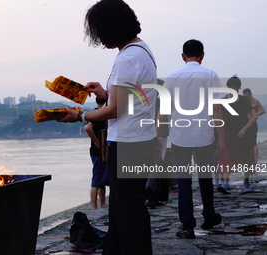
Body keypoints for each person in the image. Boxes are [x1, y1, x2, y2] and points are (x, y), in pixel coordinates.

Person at [58, 0, 158, 254]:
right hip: (139, 140)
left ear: (111, 28)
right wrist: (103, 93)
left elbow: (116, 110)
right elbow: (129, 99)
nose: (98, 38)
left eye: (100, 31)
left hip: (127, 144)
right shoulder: (142, 51)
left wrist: (81, 116)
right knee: (122, 211)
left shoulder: (127, 58)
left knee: (128, 214)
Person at [157, 39, 224, 239]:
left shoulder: (172, 76)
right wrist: (221, 138)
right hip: (205, 134)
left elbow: (164, 110)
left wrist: (159, 135)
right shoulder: (210, 75)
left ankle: (187, 225)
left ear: (183, 57)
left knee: (184, 180)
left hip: (180, 136)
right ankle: (209, 216)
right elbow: (217, 108)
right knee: (205, 177)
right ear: (202, 55)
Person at [217, 78, 257, 192]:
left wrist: (244, 129)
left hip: (243, 133)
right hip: (228, 133)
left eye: (235, 88)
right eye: (231, 88)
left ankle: (246, 181)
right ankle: (225, 182)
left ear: (238, 89)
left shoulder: (244, 101)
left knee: (246, 156)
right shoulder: (223, 101)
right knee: (226, 156)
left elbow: (254, 116)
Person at [84, 97, 108, 209]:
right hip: (97, 151)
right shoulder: (96, 114)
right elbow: (88, 128)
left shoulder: (100, 114)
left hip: (101, 150)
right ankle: (94, 206)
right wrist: (96, 142)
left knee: (102, 178)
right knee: (97, 179)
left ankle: (102, 203)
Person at [242, 88, 266, 164]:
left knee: (253, 143)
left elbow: (263, 110)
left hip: (252, 124)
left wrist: (254, 115)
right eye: (245, 97)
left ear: (250, 94)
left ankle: (254, 161)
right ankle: (245, 161)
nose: (246, 98)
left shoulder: (255, 102)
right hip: (243, 124)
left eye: (248, 96)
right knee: (244, 142)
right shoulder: (243, 102)